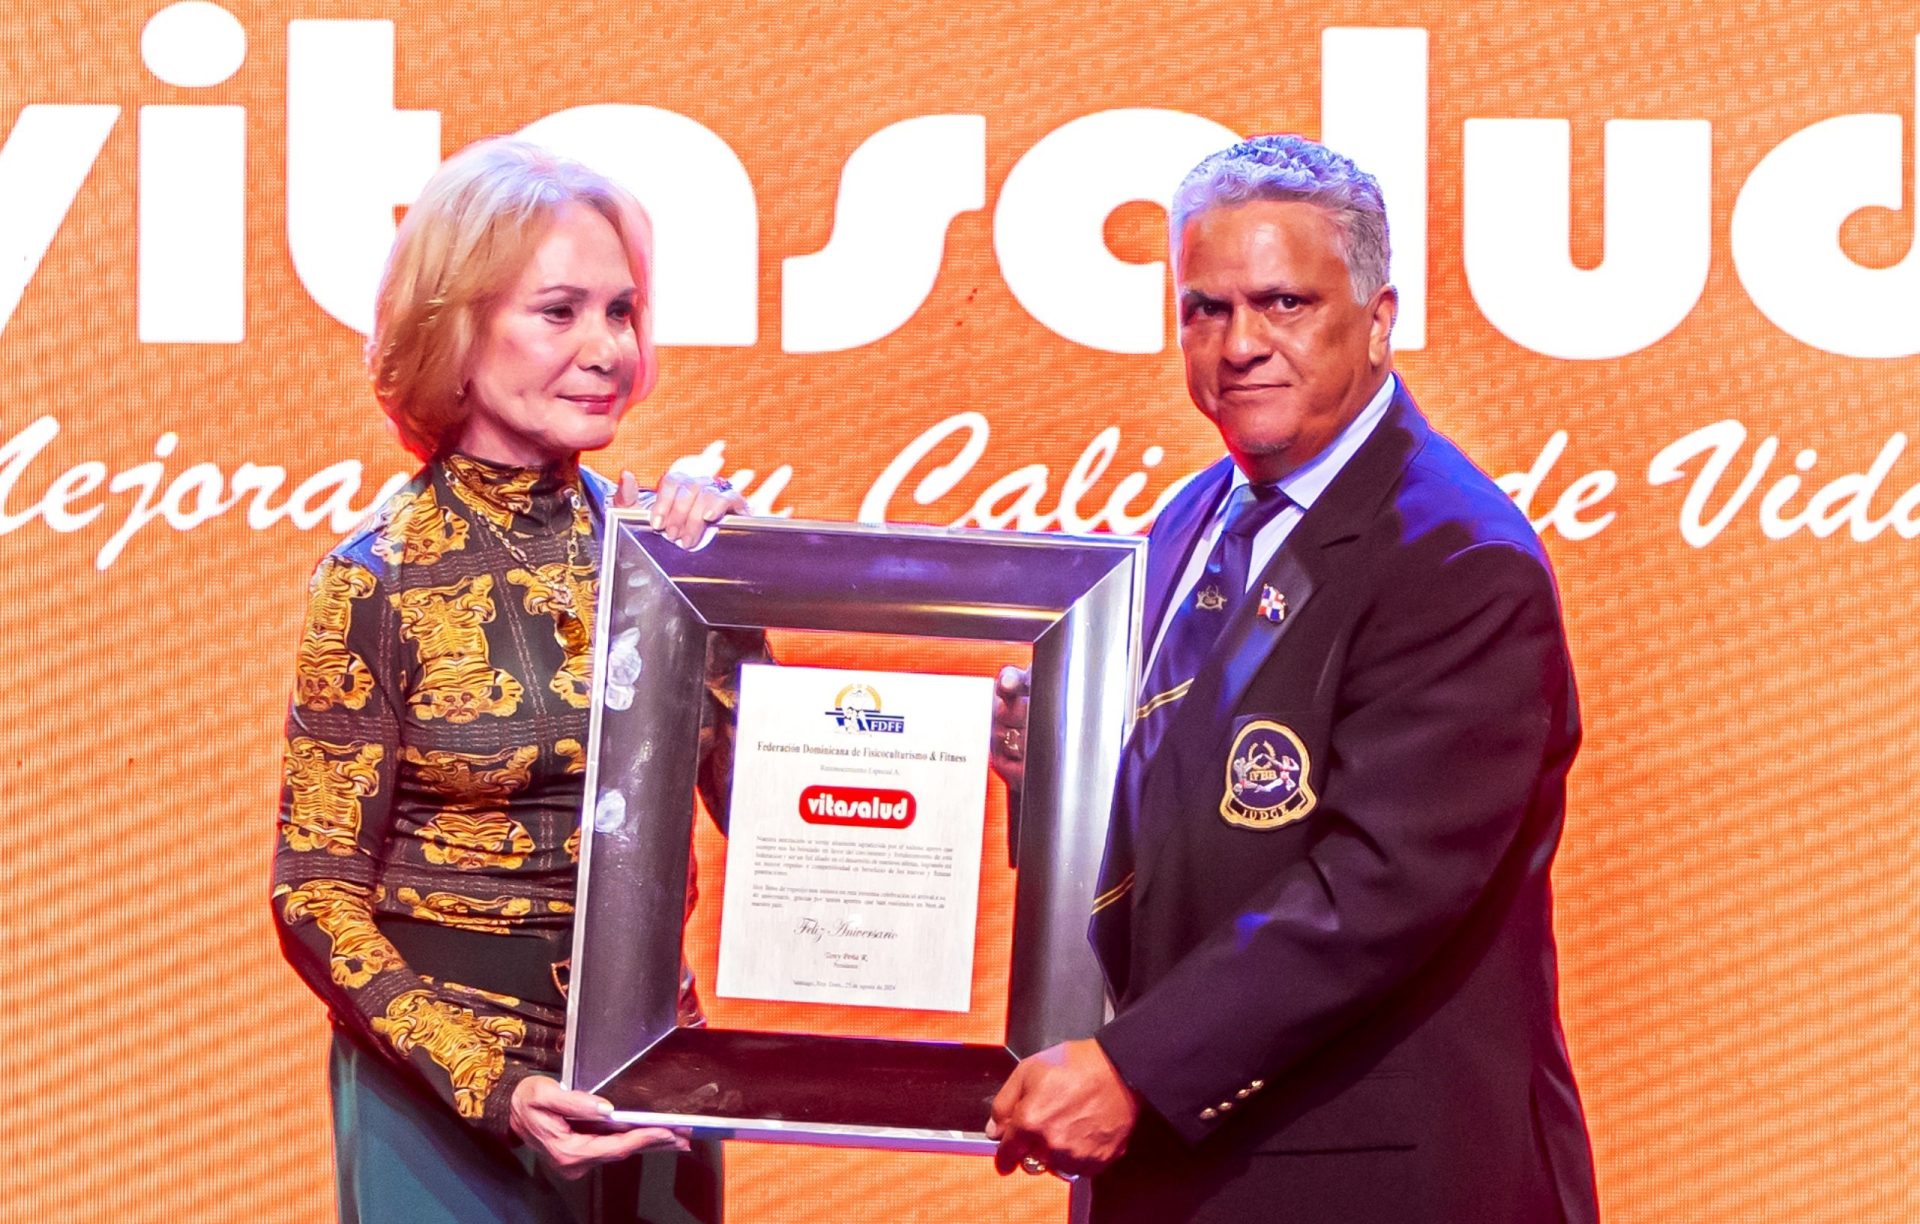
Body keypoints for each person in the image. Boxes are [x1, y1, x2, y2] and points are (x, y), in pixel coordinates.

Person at [985, 134, 1600, 1223]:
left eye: (1284, 303)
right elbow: (1185, 834)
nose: (1240, 345)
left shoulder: (1459, 557)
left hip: (1373, 1182)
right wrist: (1055, 779)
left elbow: (1379, 887)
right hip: (1181, 1171)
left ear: (1379, 317)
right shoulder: (1191, 520)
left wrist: (1138, 1068)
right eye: (1205, 309)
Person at [271, 138, 751, 1224]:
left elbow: (773, 827)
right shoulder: (377, 579)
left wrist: (735, 594)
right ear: (457, 332)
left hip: (652, 1077)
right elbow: (313, 890)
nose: (607, 349)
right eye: (559, 312)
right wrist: (495, 1087)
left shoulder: (667, 560)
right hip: (440, 1107)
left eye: (622, 312)